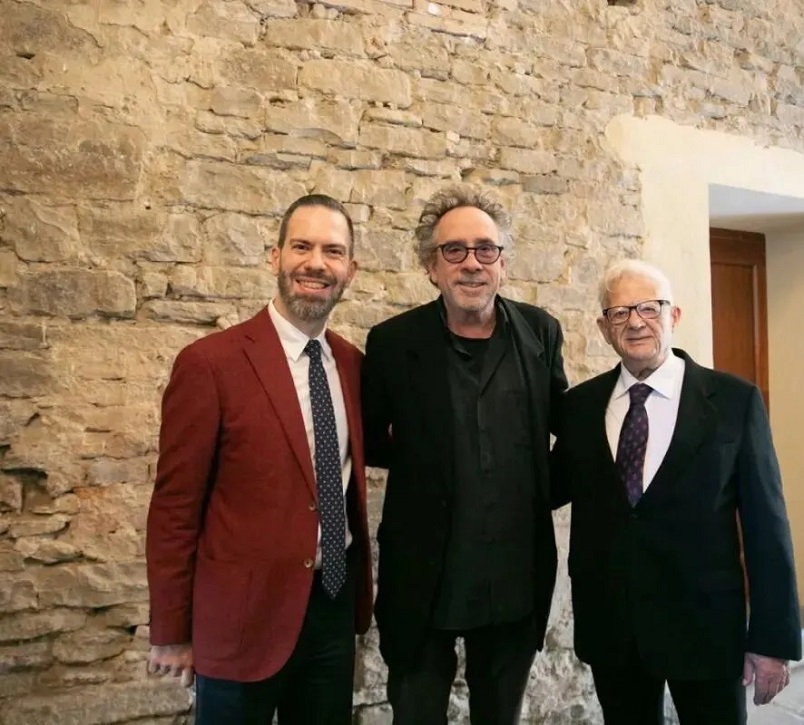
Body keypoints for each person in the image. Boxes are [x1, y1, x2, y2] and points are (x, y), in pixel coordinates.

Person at [145, 194, 373, 724]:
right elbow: (175, 508)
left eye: (333, 251)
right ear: (275, 257)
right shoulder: (210, 364)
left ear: (351, 269)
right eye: (302, 247)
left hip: (332, 613)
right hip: (239, 621)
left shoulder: (352, 364)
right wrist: (172, 630)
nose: (316, 263)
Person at [551, 259, 802, 725]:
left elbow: (768, 526)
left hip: (707, 628)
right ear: (604, 328)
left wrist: (772, 640)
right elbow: (547, 487)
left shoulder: (734, 402)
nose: (636, 322)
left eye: (649, 307)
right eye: (620, 312)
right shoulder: (580, 407)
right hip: (614, 629)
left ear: (674, 316)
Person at [361, 185, 568, 724]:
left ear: (502, 262)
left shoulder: (541, 333)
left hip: (513, 578)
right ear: (431, 267)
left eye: (485, 249)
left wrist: (542, 492)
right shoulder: (391, 343)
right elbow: (371, 439)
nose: (471, 263)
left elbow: (566, 427)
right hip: (423, 578)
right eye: (454, 250)